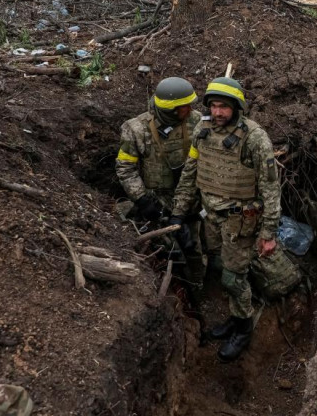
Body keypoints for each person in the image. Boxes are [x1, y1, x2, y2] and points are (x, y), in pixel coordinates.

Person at [171, 77, 289, 362]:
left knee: (233, 278)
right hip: (210, 218)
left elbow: (271, 188)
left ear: (237, 107)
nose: (218, 112)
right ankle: (234, 317)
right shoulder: (203, 129)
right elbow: (191, 171)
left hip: (240, 222)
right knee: (220, 268)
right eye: (214, 106)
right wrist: (178, 209)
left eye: (224, 106)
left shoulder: (255, 138)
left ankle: (243, 327)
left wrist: (269, 232)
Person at [115, 77, 205, 278]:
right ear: (170, 109)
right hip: (159, 202)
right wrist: (142, 199)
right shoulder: (136, 129)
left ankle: (200, 280)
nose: (189, 109)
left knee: (195, 246)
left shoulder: (197, 121)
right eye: (184, 107)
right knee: (171, 251)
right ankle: (178, 282)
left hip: (192, 196)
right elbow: (126, 168)